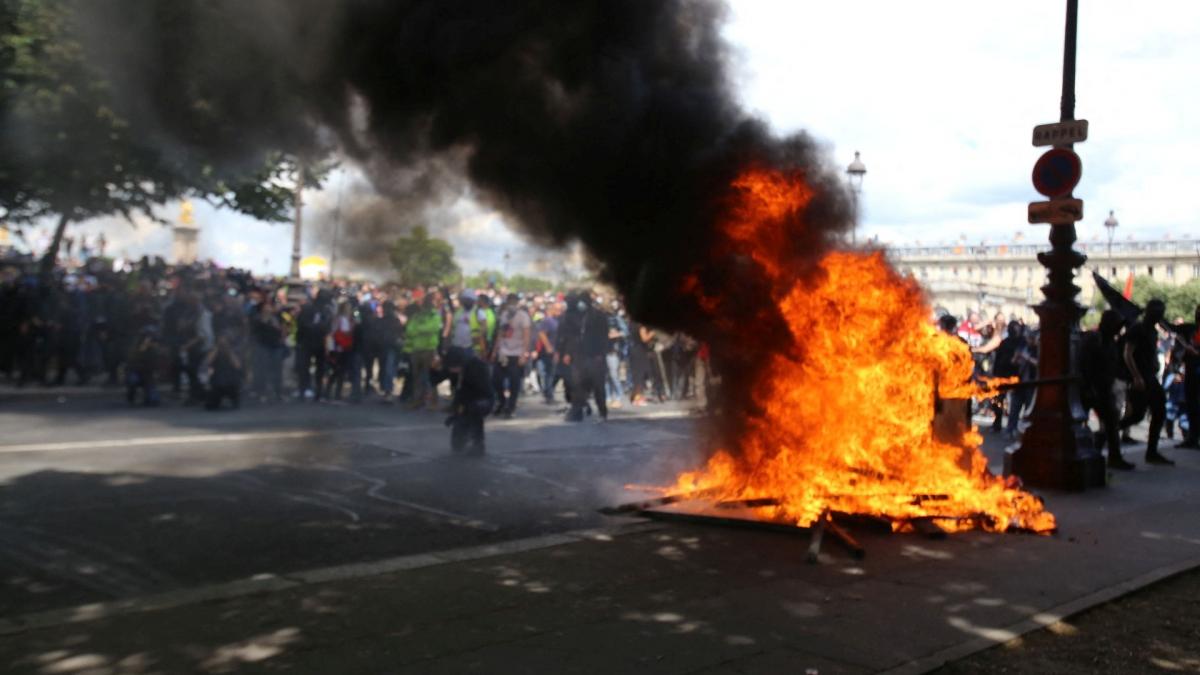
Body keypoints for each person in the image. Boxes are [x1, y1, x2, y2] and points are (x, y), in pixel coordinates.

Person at [1119, 299, 1174, 465]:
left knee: (1159, 410)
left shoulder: (1152, 330)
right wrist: (1136, 376)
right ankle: (1105, 435)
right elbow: (1127, 353)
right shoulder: (1138, 329)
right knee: (1137, 415)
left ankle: (1152, 452)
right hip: (1141, 378)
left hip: (1149, 377)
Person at [1080, 310, 1133, 469]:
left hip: (1104, 388)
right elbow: (1085, 364)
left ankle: (1110, 456)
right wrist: (1088, 386)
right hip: (1091, 388)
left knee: (1111, 422)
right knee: (1082, 422)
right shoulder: (1094, 339)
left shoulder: (1111, 341)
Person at [565, 291, 610, 422]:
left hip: (596, 356)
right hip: (580, 356)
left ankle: (603, 412)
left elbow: (604, 336)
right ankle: (577, 413)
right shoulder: (575, 316)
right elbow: (571, 336)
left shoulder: (599, 316)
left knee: (598, 387)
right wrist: (569, 352)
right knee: (578, 386)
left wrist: (600, 353)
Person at [443, 347, 493, 456]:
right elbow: (458, 393)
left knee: (474, 411)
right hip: (466, 401)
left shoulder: (476, 368)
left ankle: (478, 443)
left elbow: (480, 391)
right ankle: (463, 438)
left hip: (482, 400)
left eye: (453, 367)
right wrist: (455, 414)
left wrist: (464, 408)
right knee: (457, 445)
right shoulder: (458, 371)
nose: (451, 370)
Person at [491, 293, 531, 418]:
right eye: (510, 302)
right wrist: (495, 351)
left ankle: (511, 406)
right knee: (496, 380)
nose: (511, 305)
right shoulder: (504, 315)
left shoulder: (523, 316)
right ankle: (502, 402)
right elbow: (500, 333)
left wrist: (524, 354)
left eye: (514, 302)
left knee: (514, 382)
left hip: (516, 352)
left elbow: (526, 335)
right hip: (503, 352)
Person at [405, 296, 443, 409]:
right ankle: (418, 400)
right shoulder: (417, 316)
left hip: (429, 349)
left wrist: (419, 329)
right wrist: (421, 329)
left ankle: (434, 402)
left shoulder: (435, 316)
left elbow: (432, 328)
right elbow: (409, 330)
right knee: (416, 377)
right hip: (416, 349)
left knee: (431, 377)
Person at [1172, 304, 1199, 449]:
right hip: (1191, 374)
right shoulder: (1190, 329)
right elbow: (1173, 329)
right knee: (1191, 405)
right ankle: (1192, 437)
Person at [204, 334, 243, 410]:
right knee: (210, 406)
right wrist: (217, 348)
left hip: (231, 383)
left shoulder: (234, 350)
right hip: (217, 384)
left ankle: (234, 399)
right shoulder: (214, 351)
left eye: (225, 341)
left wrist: (228, 350)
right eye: (221, 341)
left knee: (236, 404)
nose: (223, 344)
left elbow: (237, 365)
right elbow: (207, 361)